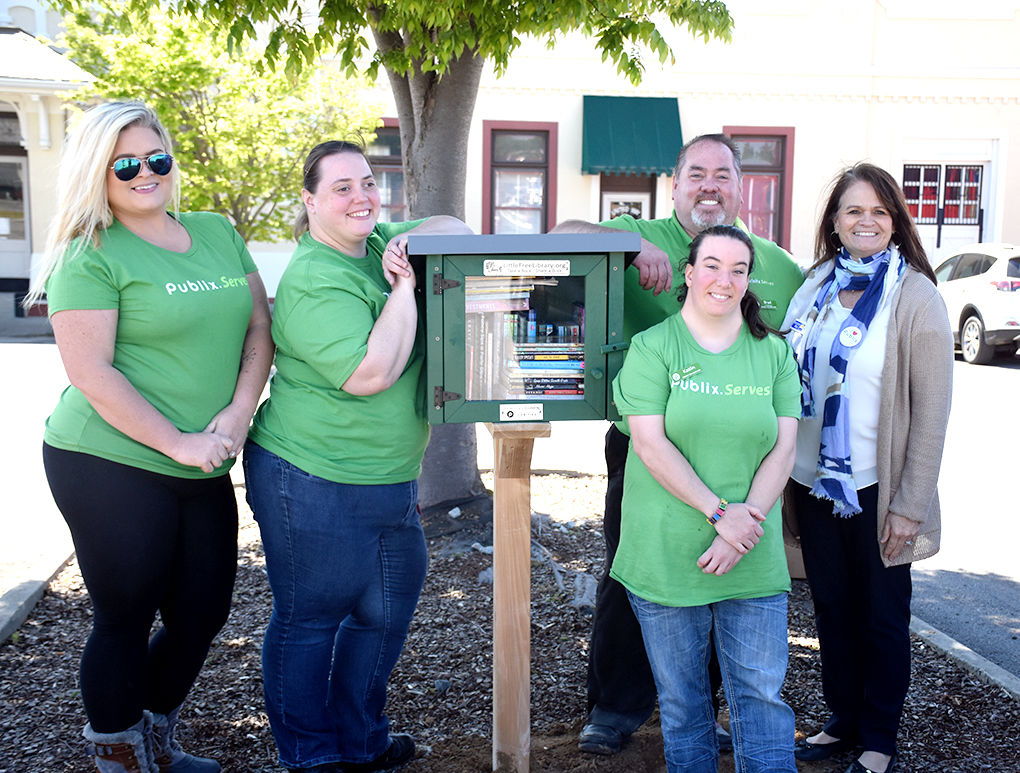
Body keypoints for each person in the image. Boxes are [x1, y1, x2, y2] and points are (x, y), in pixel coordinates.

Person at [28, 101, 274, 772]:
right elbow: (91, 373)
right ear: (97, 173)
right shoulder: (91, 253)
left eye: (156, 159)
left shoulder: (216, 231)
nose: (145, 174)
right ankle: (120, 756)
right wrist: (178, 442)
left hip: (202, 454)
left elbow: (259, 325)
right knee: (125, 613)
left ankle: (155, 738)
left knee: (204, 610)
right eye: (125, 164)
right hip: (106, 457)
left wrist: (238, 412)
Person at [551, 134, 804, 754]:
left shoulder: (777, 264)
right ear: (675, 185)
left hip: (746, 450)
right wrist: (628, 243)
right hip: (650, 442)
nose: (710, 185)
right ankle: (614, 709)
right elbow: (560, 235)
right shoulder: (643, 235)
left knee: (729, 578)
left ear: (742, 187)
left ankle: (707, 709)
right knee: (635, 575)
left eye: (723, 174)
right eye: (697, 174)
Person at [242, 140, 471, 773]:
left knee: (384, 613)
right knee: (310, 621)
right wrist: (404, 288)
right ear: (309, 201)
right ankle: (311, 755)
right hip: (311, 478)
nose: (361, 197)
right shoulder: (316, 280)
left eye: (368, 183)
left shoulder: (376, 243)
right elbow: (371, 373)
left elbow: (453, 226)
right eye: (341, 188)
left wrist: (410, 247)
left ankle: (362, 739)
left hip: (390, 479)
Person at [783, 163, 952, 773]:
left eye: (879, 211)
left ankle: (878, 737)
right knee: (830, 607)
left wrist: (910, 504)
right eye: (854, 210)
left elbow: (932, 413)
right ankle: (842, 720)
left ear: (896, 223)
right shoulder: (815, 285)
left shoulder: (917, 297)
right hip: (812, 480)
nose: (866, 221)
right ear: (834, 221)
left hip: (879, 491)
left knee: (882, 615)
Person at [612, 224, 800, 772]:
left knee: (761, 699)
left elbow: (784, 451)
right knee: (683, 704)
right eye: (712, 266)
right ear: (689, 273)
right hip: (668, 554)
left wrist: (745, 526)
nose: (724, 279)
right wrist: (721, 514)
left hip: (752, 554)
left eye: (738, 269)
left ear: (748, 281)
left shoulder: (773, 355)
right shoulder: (652, 348)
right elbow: (649, 444)